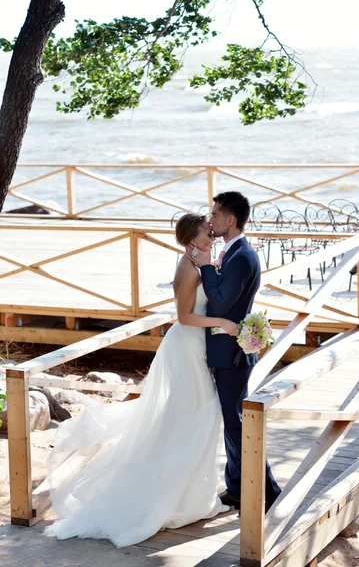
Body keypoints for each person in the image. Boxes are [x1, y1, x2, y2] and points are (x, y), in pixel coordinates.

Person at [43, 213, 238, 548]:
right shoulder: (189, 270)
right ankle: (170, 499)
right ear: (193, 241)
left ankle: (191, 497)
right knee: (195, 417)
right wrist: (224, 321)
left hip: (194, 346)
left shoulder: (196, 262)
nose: (212, 235)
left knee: (195, 418)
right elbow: (185, 317)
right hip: (188, 346)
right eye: (207, 233)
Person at [187, 191, 281, 512]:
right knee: (233, 421)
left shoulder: (241, 257)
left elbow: (221, 302)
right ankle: (238, 487)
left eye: (215, 215)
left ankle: (267, 491)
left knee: (237, 423)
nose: (210, 219)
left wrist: (205, 268)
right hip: (227, 351)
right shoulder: (232, 252)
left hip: (233, 354)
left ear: (230, 219)